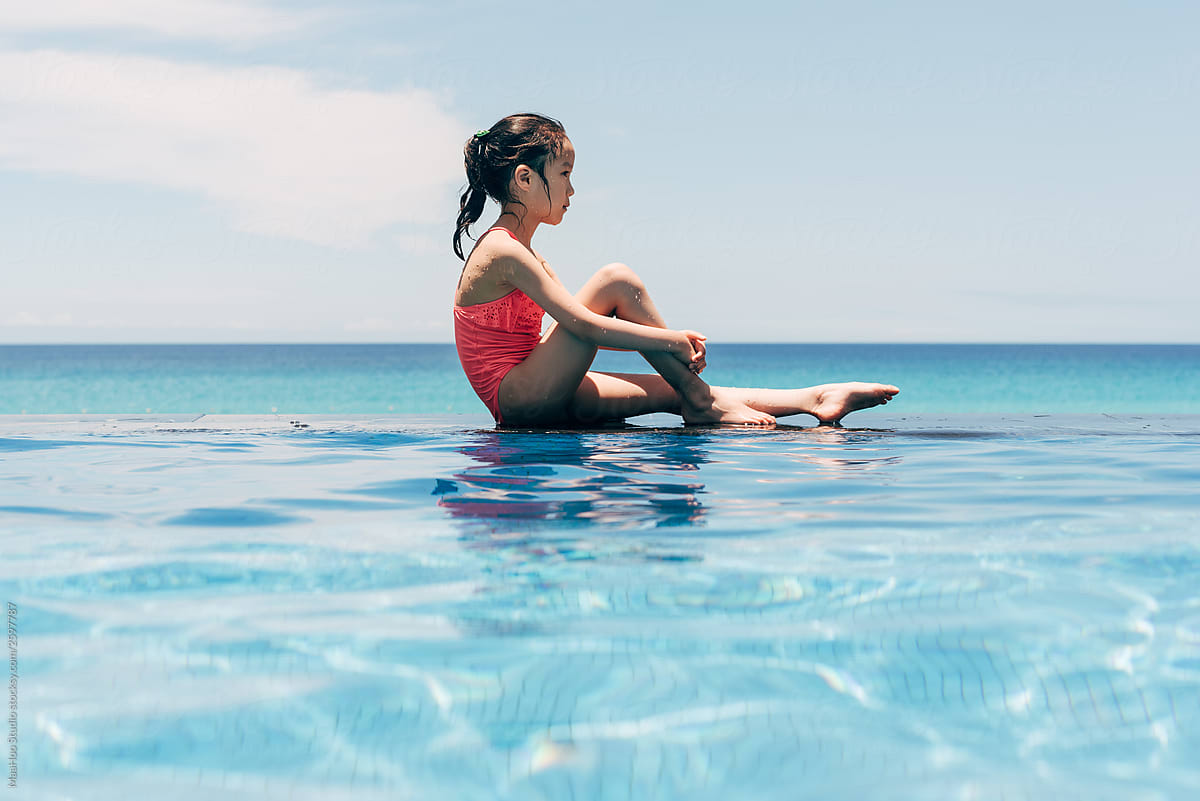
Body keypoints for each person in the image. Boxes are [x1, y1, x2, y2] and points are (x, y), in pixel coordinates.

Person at [452, 112, 898, 427]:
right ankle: (704, 401)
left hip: (537, 385)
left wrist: (669, 353)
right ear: (525, 179)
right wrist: (669, 339)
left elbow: (561, 333)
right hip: (519, 397)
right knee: (616, 280)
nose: (573, 188)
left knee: (673, 390)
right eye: (565, 173)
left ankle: (815, 398)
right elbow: (584, 326)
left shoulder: (527, 253)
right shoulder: (501, 251)